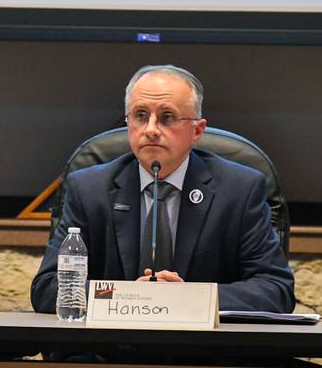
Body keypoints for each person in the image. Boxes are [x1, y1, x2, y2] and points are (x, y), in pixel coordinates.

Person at [32, 64, 295, 313]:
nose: (151, 130)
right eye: (140, 116)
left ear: (197, 130)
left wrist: (189, 298)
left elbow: (276, 290)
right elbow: (48, 288)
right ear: (128, 123)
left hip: (207, 354)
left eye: (167, 117)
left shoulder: (239, 190)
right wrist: (125, 296)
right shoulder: (89, 189)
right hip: (107, 353)